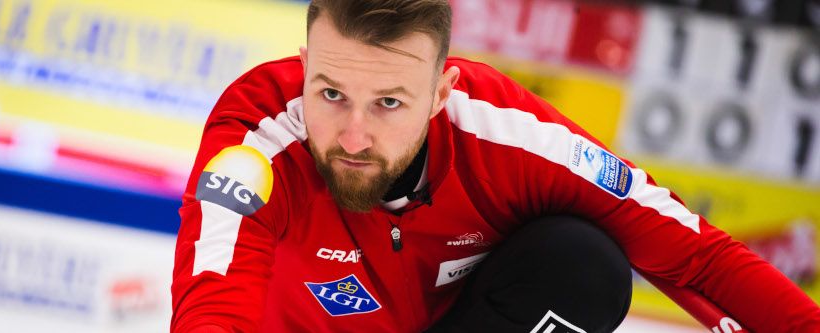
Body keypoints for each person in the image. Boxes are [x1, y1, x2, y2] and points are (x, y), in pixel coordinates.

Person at [171, 0, 820, 332]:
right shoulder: (257, 137)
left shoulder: (510, 136)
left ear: (442, 94)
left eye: (390, 102)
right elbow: (211, 305)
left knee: (583, 264)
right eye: (330, 92)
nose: (354, 133)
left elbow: (697, 254)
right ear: (304, 63)